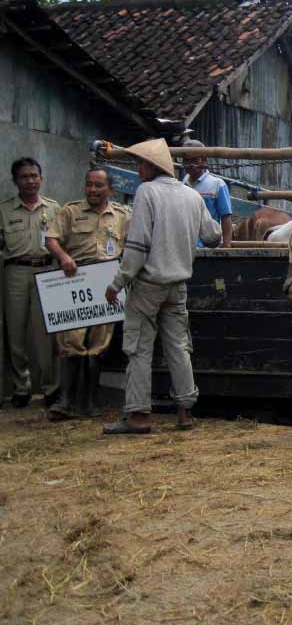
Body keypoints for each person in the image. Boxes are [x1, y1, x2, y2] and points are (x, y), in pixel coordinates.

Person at [102, 139, 221, 435]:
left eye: (140, 164)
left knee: (139, 349)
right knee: (179, 348)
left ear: (152, 166)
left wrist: (118, 282)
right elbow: (213, 235)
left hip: (148, 284)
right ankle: (184, 412)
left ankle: (139, 416)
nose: (138, 169)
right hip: (178, 285)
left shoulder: (147, 192)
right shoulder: (192, 196)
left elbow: (138, 246)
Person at [45, 168, 131, 420]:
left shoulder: (122, 216)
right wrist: (63, 257)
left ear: (110, 190)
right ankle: (65, 401)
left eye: (99, 186)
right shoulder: (70, 211)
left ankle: (91, 402)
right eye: (89, 185)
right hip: (74, 280)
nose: (92, 190)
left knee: (99, 344)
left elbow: (132, 245)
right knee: (70, 341)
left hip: (106, 285)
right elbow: (51, 239)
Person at [0, 158, 60, 408]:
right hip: (16, 272)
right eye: (25, 177)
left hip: (47, 271)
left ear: (42, 178)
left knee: (47, 333)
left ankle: (51, 388)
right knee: (15, 333)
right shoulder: (4, 210)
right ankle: (21, 387)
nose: (31, 181)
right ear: (15, 181)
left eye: (35, 175)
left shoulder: (54, 208)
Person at [182, 140, 232, 248]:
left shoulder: (217, 184)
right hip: (185, 244)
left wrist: (227, 245)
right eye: (186, 160)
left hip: (208, 244)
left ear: (204, 161)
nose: (190, 164)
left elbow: (226, 216)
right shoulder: (182, 184)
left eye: (194, 160)